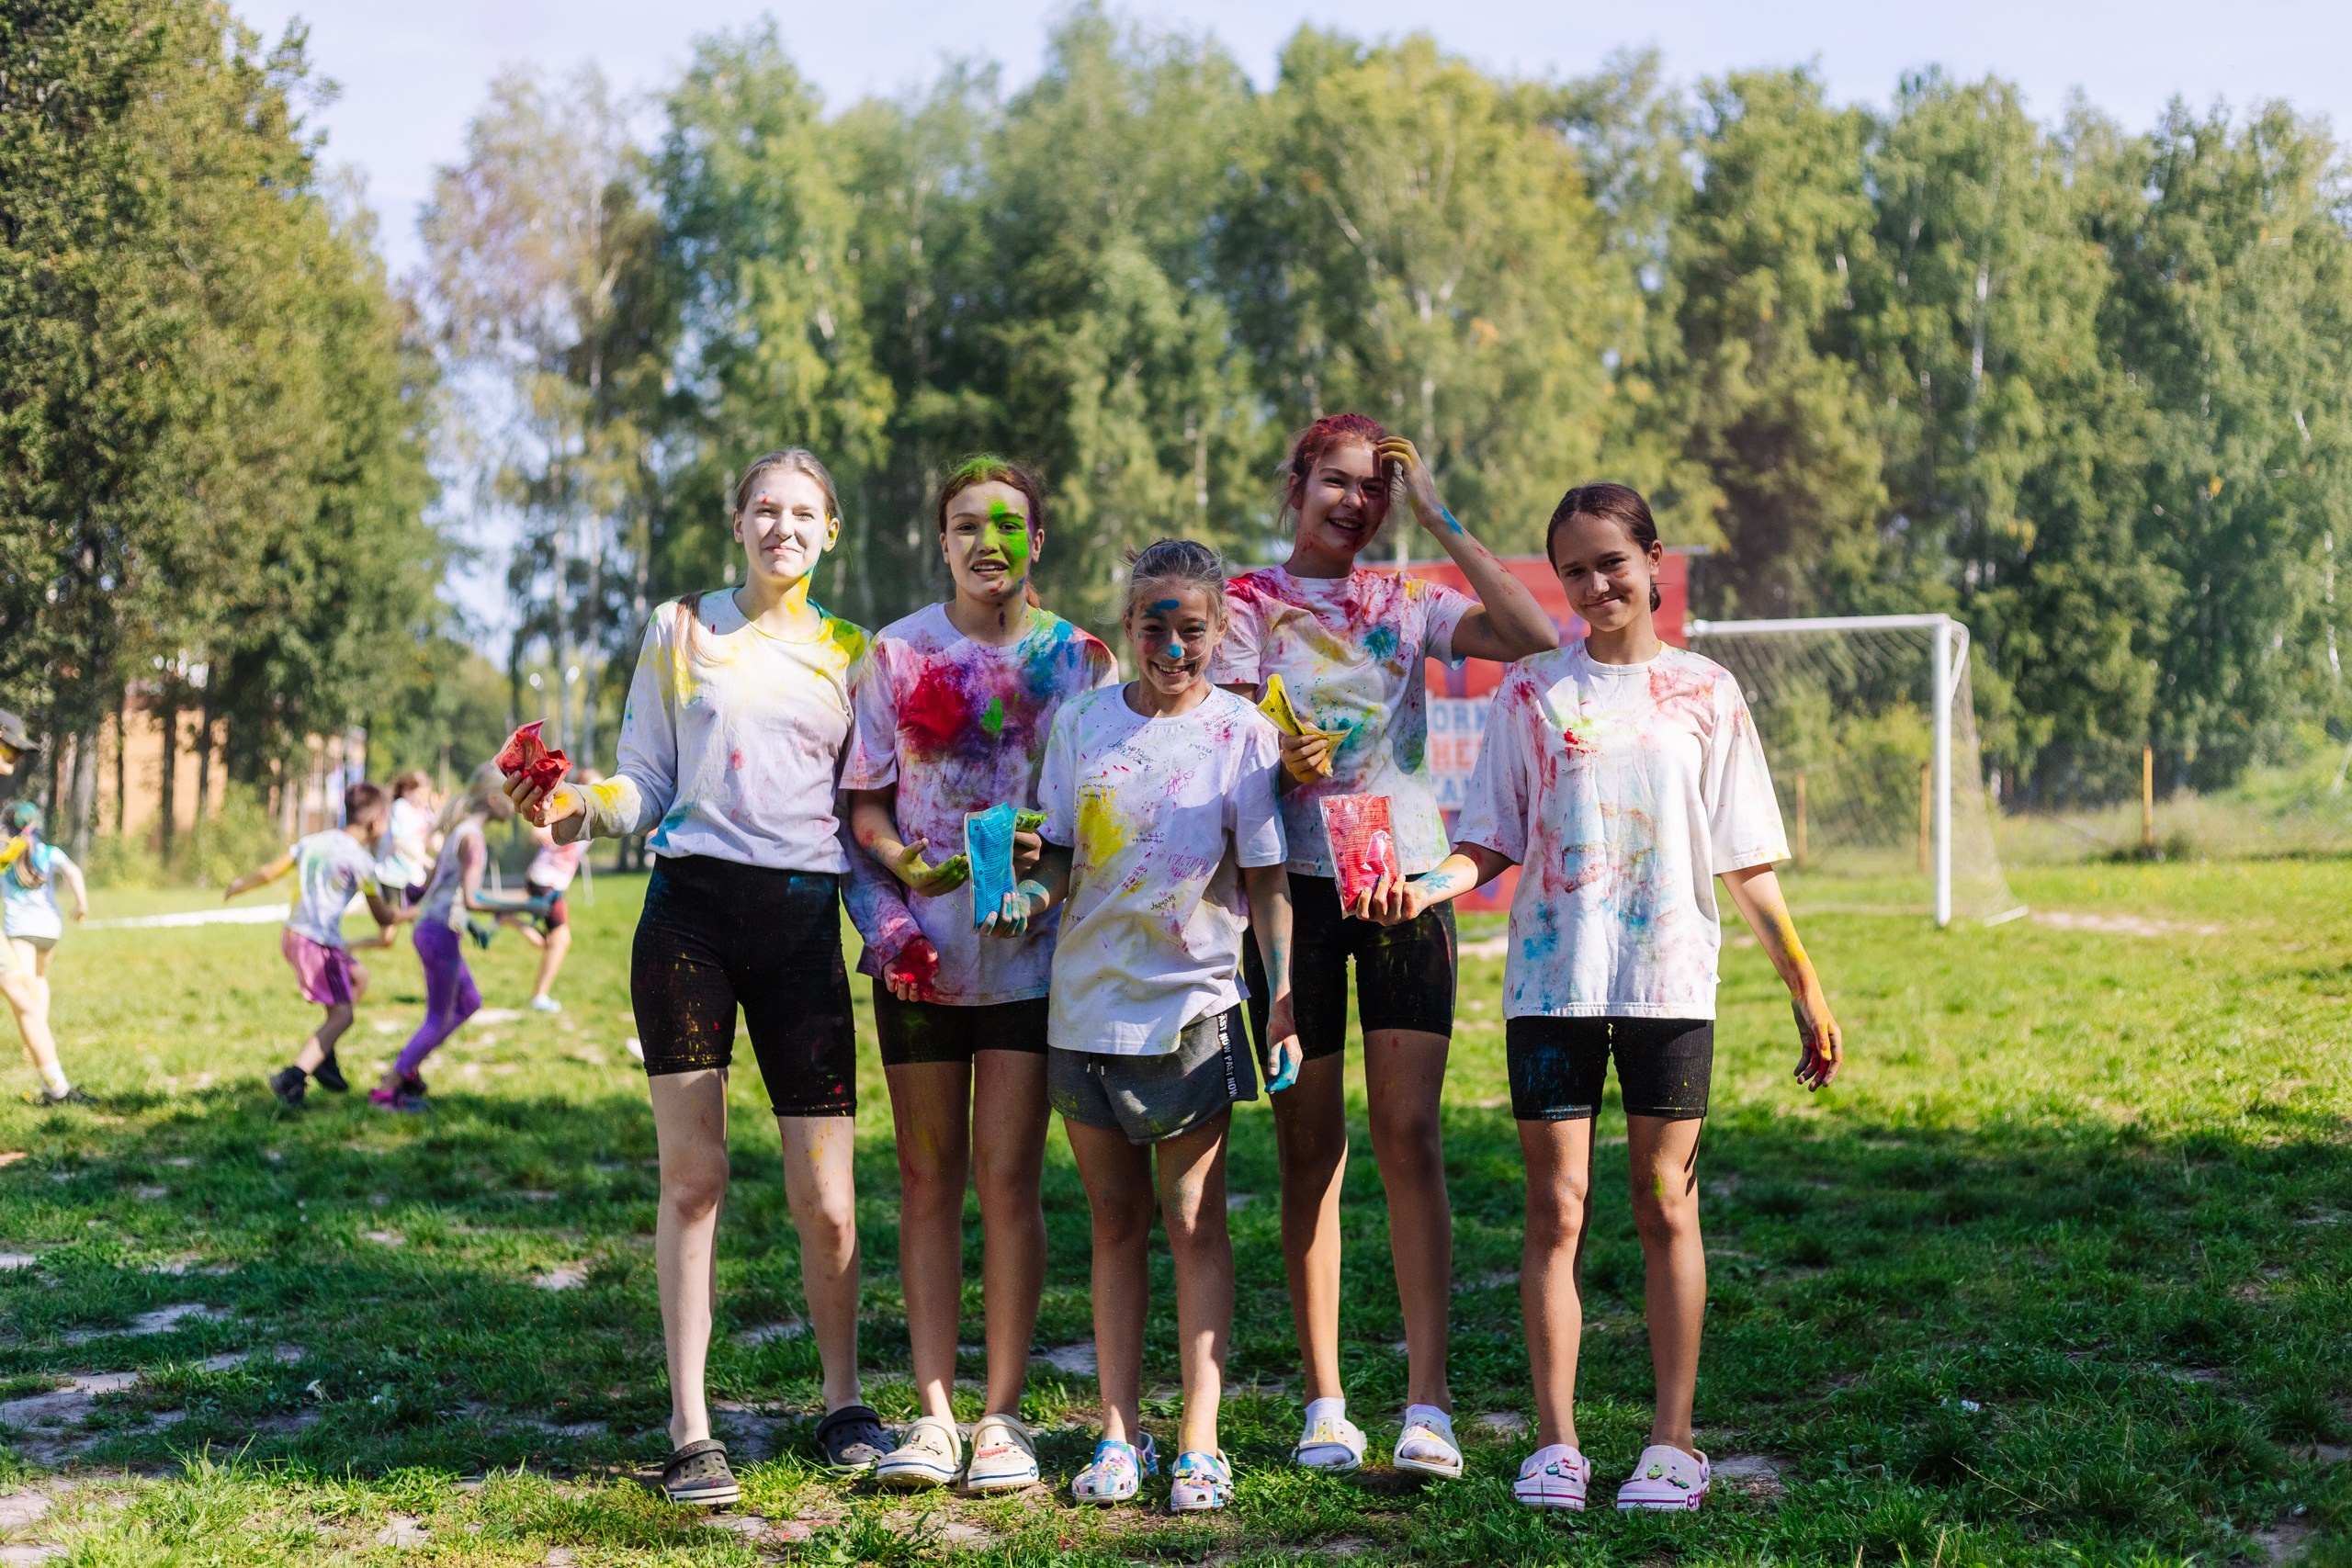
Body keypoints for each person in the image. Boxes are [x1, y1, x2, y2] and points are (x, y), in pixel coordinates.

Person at [1363, 481, 1844, 1513]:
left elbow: (1746, 862)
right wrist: (1427, 886)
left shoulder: (1707, 693)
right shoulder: (1532, 691)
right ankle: (1556, 1445)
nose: (1594, 585)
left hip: (1671, 983)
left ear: (1653, 561)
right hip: (1552, 986)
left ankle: (1674, 1443)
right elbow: (1489, 838)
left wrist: (1805, 988)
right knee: (1557, 1209)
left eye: (1611, 563)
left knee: (1666, 1202)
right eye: (1573, 570)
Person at [502, 447, 890, 1508]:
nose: (782, 528)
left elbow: (865, 811)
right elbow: (643, 780)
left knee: (829, 1200)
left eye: (802, 513)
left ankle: (844, 1404)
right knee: (694, 1179)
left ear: (830, 531)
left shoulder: (853, 653)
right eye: (764, 509)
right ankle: (690, 1428)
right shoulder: (679, 628)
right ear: (737, 522)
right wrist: (570, 808)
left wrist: (895, 926)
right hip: (690, 925)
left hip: (802, 926)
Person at [1210, 413, 1558, 1476]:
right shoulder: (1243, 604)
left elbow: (1530, 635)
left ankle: (1428, 1405)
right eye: (1336, 481)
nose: (1354, 503)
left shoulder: (1406, 600)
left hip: (1403, 888)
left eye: (1375, 489)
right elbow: (1218, 742)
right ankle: (1324, 1403)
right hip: (1289, 896)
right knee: (1308, 1149)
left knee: (1409, 1138)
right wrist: (1276, 756)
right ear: (1297, 484)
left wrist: (1439, 515)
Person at [841, 457, 1117, 1493]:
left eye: (1006, 525)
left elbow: (1102, 805)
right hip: (918, 957)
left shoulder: (1080, 660)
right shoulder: (897, 653)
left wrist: (1051, 857)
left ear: (1036, 541)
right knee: (926, 1179)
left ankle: (1001, 1415)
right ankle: (932, 1415)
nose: (985, 543)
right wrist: (906, 869)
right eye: (965, 525)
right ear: (942, 541)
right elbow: (864, 806)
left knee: (1007, 1181)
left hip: (1031, 959)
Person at [1007, 538, 1301, 1513]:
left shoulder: (1242, 733)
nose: (1172, 648)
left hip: (1196, 1007)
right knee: (1114, 1224)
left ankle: (1199, 1444)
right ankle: (1117, 1433)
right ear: (1128, 624)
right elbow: (1057, 855)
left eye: (1191, 629)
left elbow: (1266, 880)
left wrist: (1283, 1000)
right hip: (1086, 1007)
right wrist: (1029, 897)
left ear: (1219, 629)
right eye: (1154, 626)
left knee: (1193, 1220)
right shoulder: (1083, 723)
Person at [370, 762, 545, 1114]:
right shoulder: (472, 838)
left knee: (468, 1002)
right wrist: (529, 904)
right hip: (437, 933)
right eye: (511, 797)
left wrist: (472, 923)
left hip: (433, 930)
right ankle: (389, 1089)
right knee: (438, 1016)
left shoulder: (459, 830)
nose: (516, 805)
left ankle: (409, 1067)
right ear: (493, 799)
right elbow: (472, 898)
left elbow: (437, 886)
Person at [227, 782, 402, 1109]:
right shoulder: (361, 862)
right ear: (377, 820)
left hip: (293, 935)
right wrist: (417, 912)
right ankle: (293, 1078)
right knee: (344, 1015)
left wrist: (241, 885)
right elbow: (383, 916)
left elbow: (271, 871)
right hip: (318, 944)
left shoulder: (314, 841)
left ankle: (324, 1051)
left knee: (358, 977)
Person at [0, 804, 91, 1105]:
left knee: (24, 992)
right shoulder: (48, 852)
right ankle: (40, 1031)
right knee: (39, 979)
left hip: (20, 929)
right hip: (50, 928)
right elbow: (73, 871)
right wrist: (81, 904)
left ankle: (36, 1037)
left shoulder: (6, 854)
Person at [502, 767, 600, 1015]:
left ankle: (507, 917)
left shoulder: (590, 815)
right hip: (546, 881)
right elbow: (537, 832)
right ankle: (539, 996)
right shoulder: (566, 808)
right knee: (560, 940)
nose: (599, 793)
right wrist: (543, 834)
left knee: (553, 942)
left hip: (548, 881)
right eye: (595, 788)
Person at [376, 771, 437, 908]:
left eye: (425, 794)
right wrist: (425, 860)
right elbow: (398, 841)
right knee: (394, 917)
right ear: (406, 792)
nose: (423, 798)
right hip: (393, 874)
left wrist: (438, 813)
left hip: (413, 875)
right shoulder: (401, 807)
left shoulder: (424, 811)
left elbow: (432, 841)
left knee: (417, 914)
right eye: (420, 794)